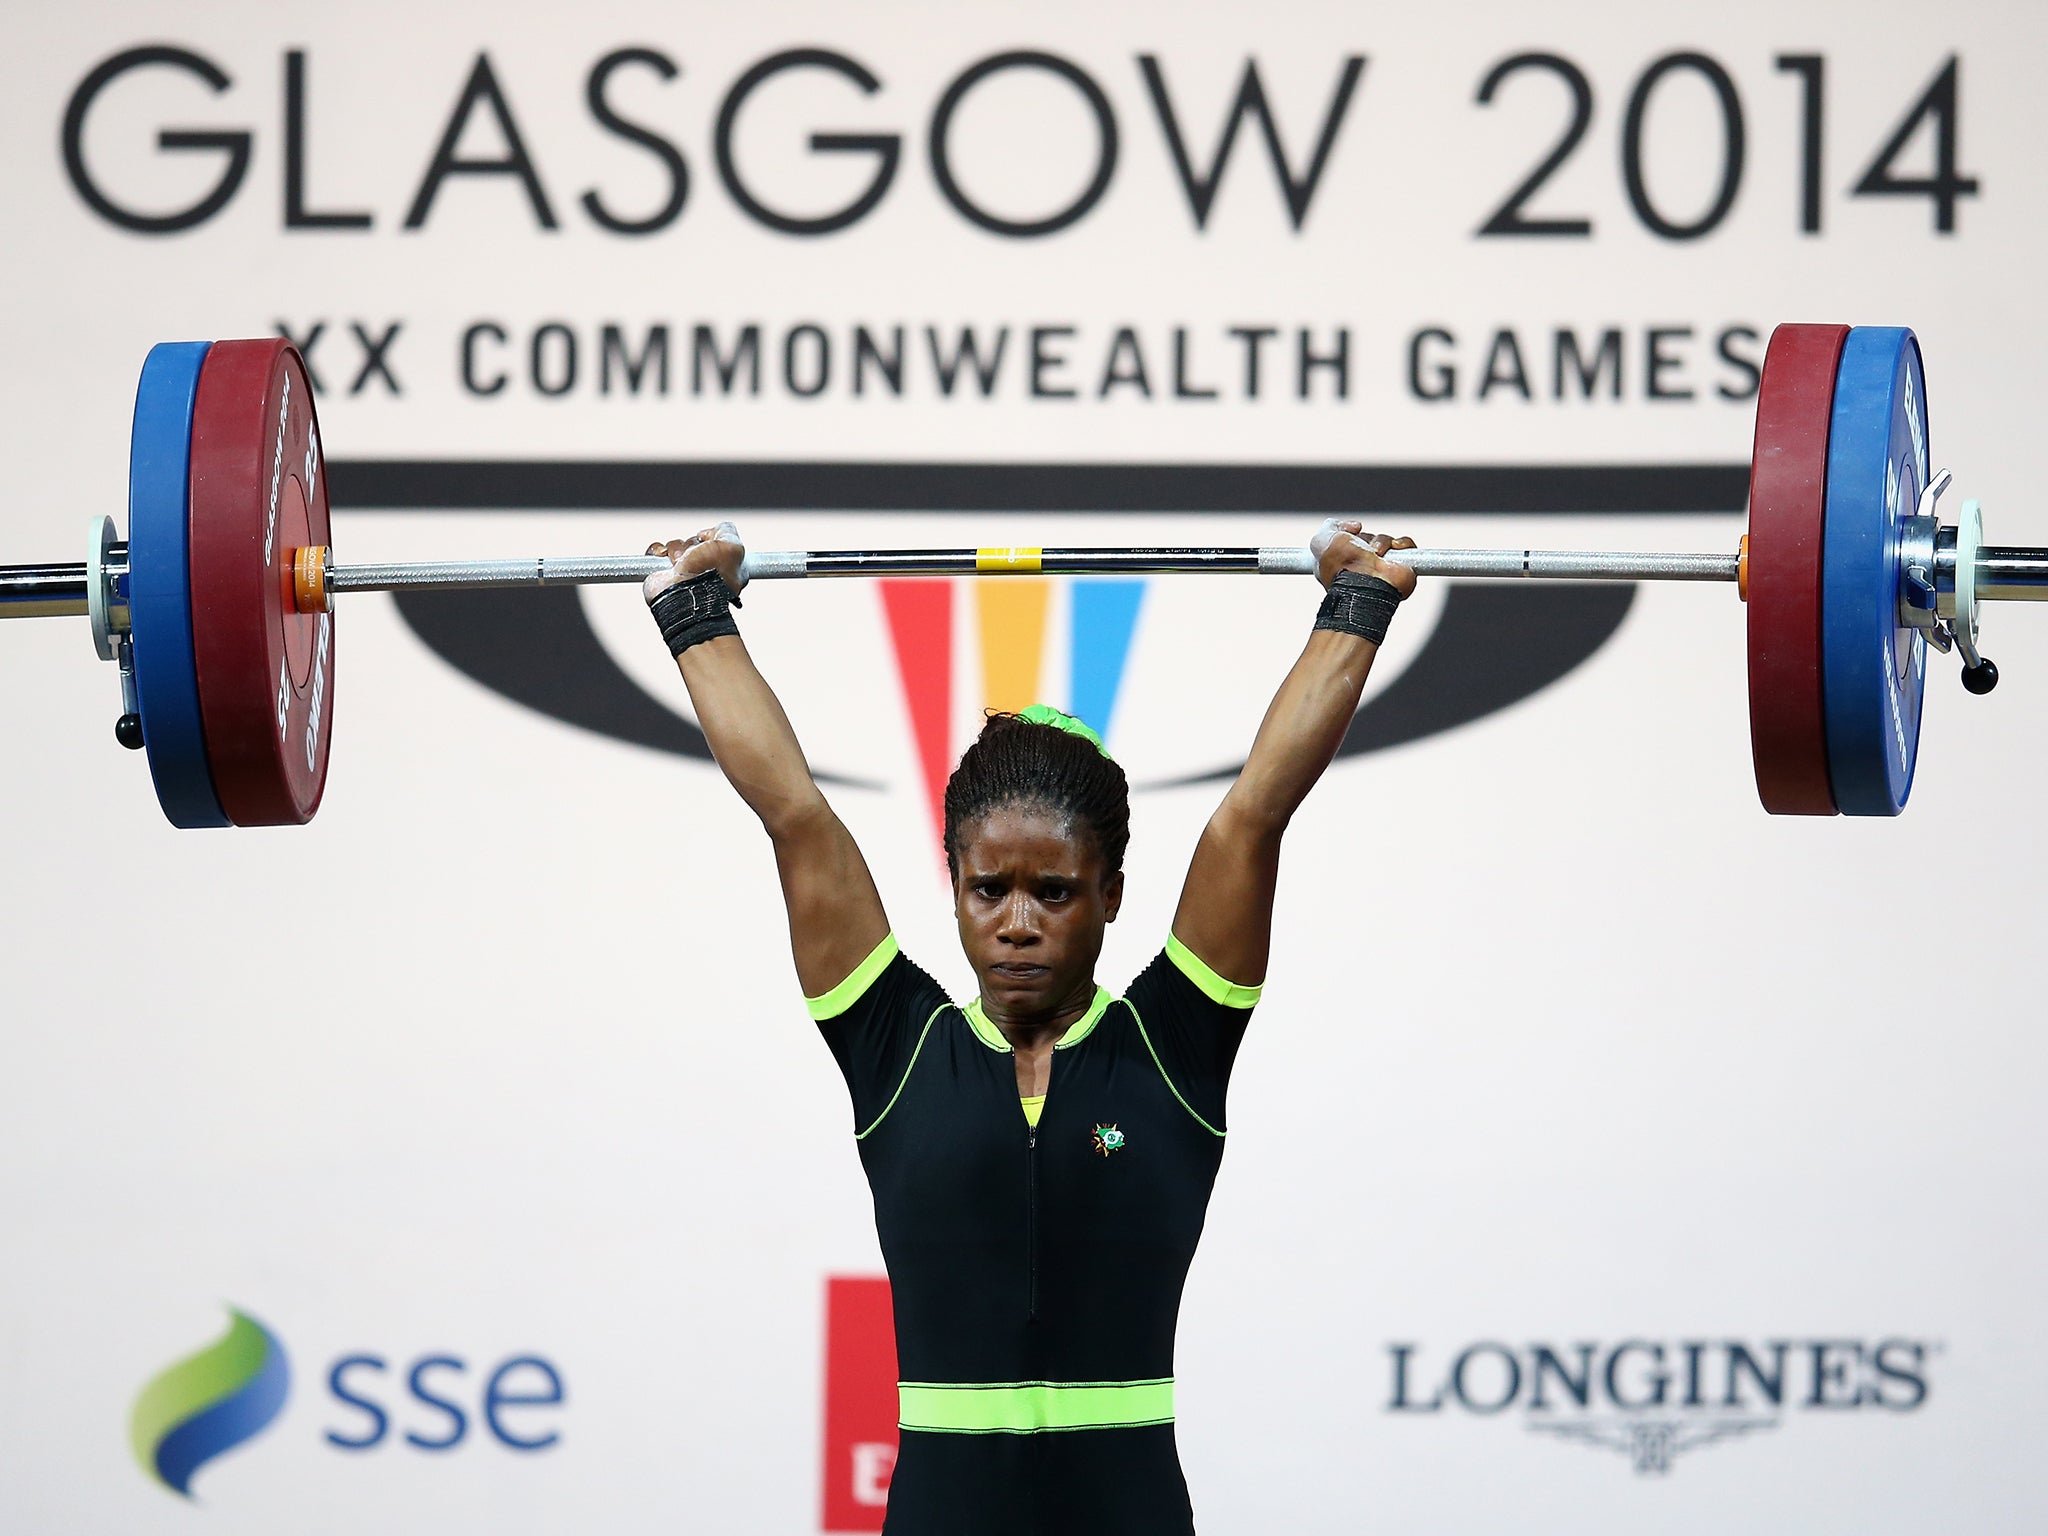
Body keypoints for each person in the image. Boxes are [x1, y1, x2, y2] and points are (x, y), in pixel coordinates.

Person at [642, 521, 1417, 1535]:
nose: (1015, 921)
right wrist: (693, 612)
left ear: (1109, 893)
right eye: (987, 889)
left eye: (1052, 890)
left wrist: (1356, 603)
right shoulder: (896, 1047)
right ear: (953, 889)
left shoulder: (1171, 1048)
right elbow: (792, 810)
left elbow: (1252, 815)